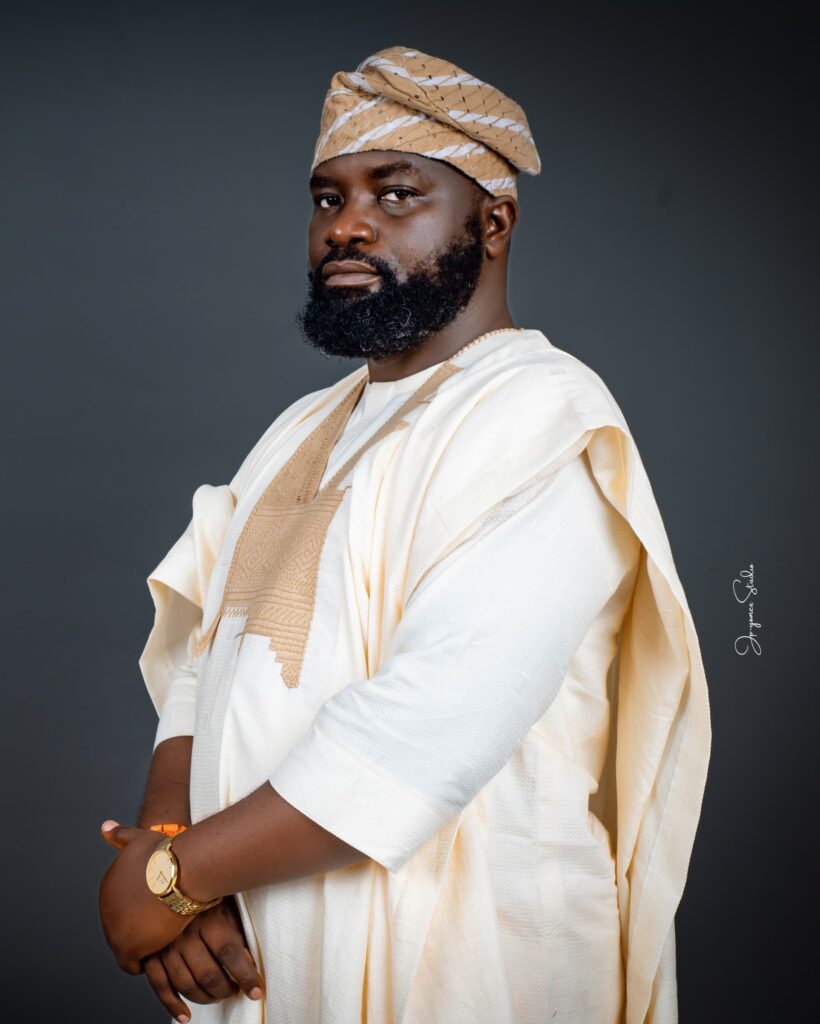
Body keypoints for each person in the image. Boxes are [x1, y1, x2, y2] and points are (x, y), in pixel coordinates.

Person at [99, 45, 711, 1024]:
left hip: (466, 954)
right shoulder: (301, 428)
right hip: (258, 942)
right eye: (327, 198)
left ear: (493, 222)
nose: (347, 225)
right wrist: (168, 841)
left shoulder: (542, 416)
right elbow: (210, 647)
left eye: (395, 195)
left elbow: (434, 719)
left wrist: (173, 879)